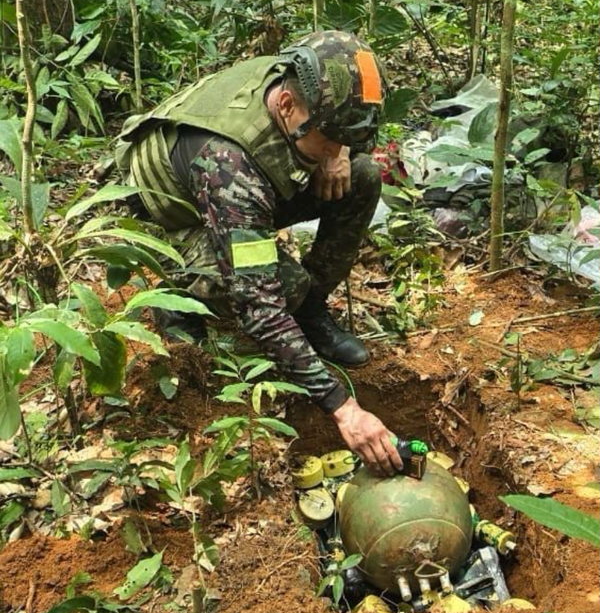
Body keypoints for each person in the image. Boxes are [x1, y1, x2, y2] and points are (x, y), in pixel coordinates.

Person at [113, 30, 405, 475]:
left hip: (239, 185)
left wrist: (338, 150)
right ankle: (180, 298)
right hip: (170, 209)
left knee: (362, 176)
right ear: (287, 107)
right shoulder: (230, 168)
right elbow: (258, 303)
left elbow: (344, 125)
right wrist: (343, 408)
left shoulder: (313, 77)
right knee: (280, 289)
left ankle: (311, 311)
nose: (336, 146)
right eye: (329, 137)